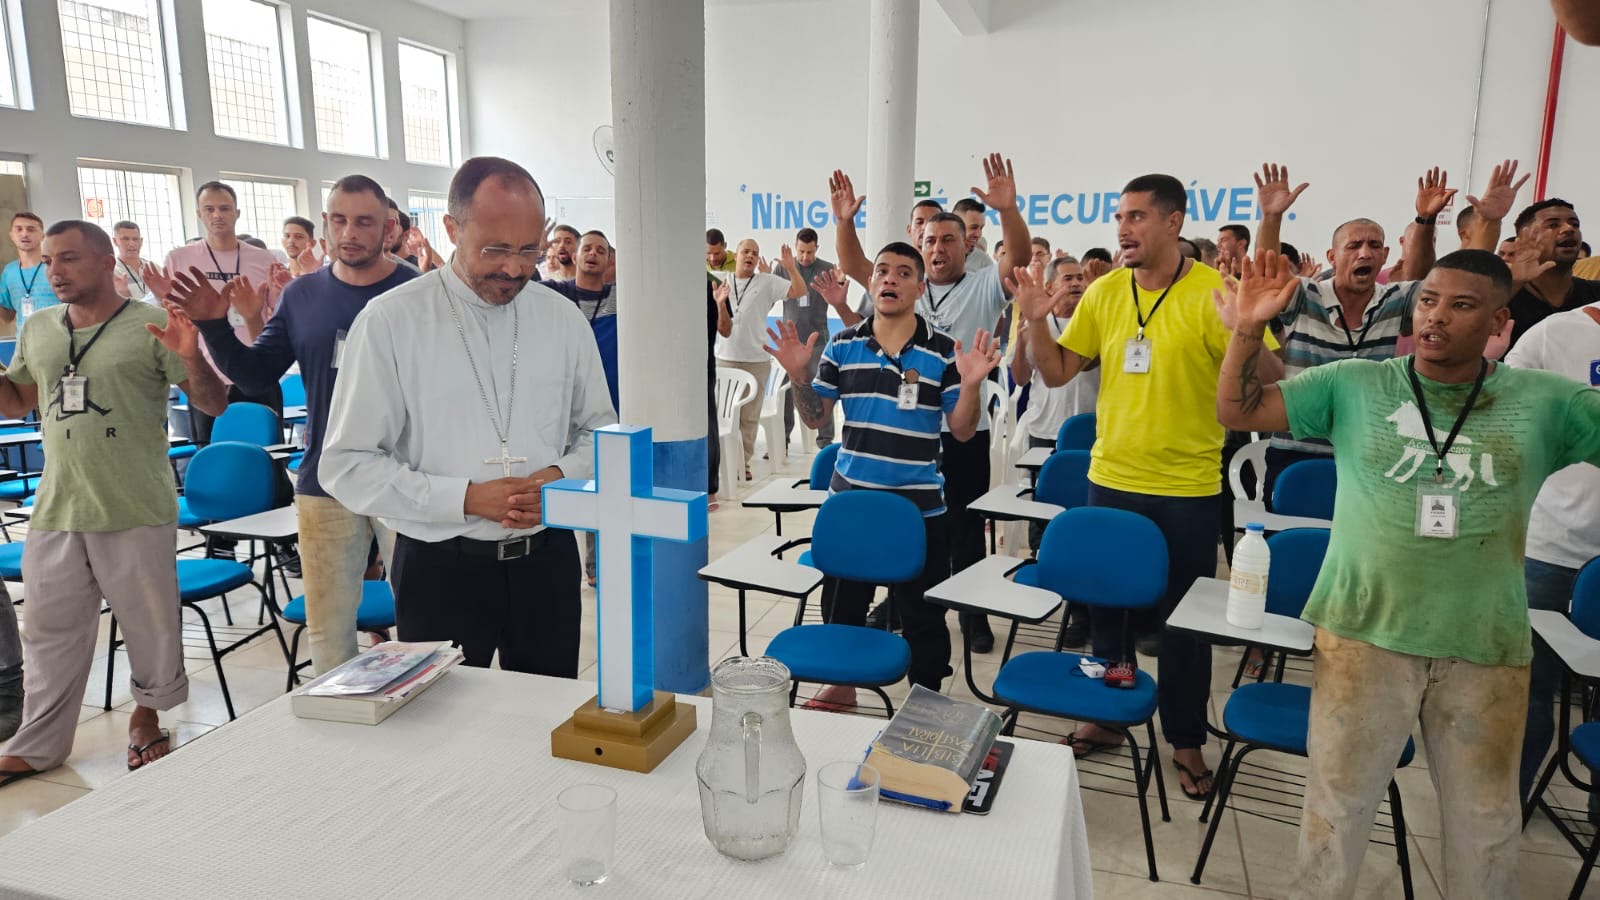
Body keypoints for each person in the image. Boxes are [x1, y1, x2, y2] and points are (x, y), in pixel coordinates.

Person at [1216, 247, 1600, 900]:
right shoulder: (1356, 385)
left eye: (1460, 305)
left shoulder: (1547, 402)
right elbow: (1240, 410)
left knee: (1485, 826)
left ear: (1499, 320)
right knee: (1334, 815)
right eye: (1427, 300)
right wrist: (1248, 331)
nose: (1436, 317)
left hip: (1484, 644)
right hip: (1364, 634)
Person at [1016, 173, 1285, 799]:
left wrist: (1248, 324)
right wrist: (1035, 323)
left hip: (1187, 486)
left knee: (1182, 625)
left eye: (1137, 217)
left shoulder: (1214, 290)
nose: (1123, 229)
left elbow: (1271, 373)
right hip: (1110, 479)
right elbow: (1056, 373)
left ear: (1172, 221)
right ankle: (1108, 716)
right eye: (1119, 218)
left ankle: (1185, 737)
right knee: (1108, 612)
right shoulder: (1107, 292)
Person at [320, 157, 615, 675]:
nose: (514, 269)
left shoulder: (562, 319)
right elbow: (348, 464)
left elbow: (600, 432)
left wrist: (556, 478)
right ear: (452, 229)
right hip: (439, 566)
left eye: (529, 251)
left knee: (543, 720)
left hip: (545, 560)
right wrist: (466, 499)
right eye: (495, 249)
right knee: (442, 731)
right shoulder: (392, 321)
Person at [0, 220, 227, 786]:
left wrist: (193, 357)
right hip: (57, 505)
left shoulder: (151, 323)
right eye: (50, 261)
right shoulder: (41, 330)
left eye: (70, 259)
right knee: (48, 632)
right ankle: (39, 744)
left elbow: (214, 403)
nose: (55, 271)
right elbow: (17, 403)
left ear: (107, 263)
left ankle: (146, 720)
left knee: (148, 628)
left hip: (134, 504)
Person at [162, 176, 416, 676]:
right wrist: (215, 325)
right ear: (325, 225)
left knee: (419, 614)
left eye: (365, 221)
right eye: (339, 220)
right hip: (326, 477)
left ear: (388, 228)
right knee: (327, 621)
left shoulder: (417, 290)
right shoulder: (303, 295)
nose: (351, 232)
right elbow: (256, 375)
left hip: (405, 475)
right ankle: (337, 728)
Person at [767, 240, 1000, 708]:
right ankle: (842, 688)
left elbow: (960, 430)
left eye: (902, 273)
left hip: (919, 509)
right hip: (851, 504)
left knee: (923, 614)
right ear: (871, 284)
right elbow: (816, 418)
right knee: (842, 606)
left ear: (918, 286)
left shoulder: (941, 353)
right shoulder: (844, 345)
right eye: (882, 272)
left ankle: (926, 697)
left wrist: (971, 384)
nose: (890, 279)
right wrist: (797, 376)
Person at [830, 155, 1031, 656]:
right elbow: (857, 265)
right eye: (929, 239)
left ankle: (971, 613)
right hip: (906, 424)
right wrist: (844, 222)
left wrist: (1008, 210)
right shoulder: (904, 286)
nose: (937, 246)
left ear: (969, 245)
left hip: (961, 423)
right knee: (893, 529)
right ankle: (896, 605)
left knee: (959, 528)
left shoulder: (984, 284)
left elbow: (1018, 259)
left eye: (949, 239)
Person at [1250, 160, 1522, 502]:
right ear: (1333, 256)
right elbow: (1267, 270)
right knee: (1290, 549)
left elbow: (1468, 279)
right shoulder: (1306, 295)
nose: (1365, 252)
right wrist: (1272, 218)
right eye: (1354, 246)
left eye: (1374, 245)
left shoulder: (1398, 298)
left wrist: (1488, 222)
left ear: (1385, 256)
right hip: (1296, 448)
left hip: (1369, 450)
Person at [1505, 297, 1600, 810]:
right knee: (1528, 692)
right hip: (1552, 545)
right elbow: (1501, 410)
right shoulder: (1555, 333)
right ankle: (1505, 808)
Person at [156, 182, 285, 445]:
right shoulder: (180, 258)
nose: (217, 215)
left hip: (254, 369)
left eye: (224, 208)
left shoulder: (263, 258)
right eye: (210, 209)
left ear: (237, 213)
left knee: (269, 457)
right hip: (206, 375)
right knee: (211, 455)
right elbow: (171, 314)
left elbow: (277, 317)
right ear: (199, 214)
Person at [544, 229, 621, 587]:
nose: (592, 254)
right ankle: (554, 564)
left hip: (606, 411)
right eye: (586, 248)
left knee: (603, 492)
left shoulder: (621, 299)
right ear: (574, 256)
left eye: (601, 250)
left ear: (610, 261)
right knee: (558, 488)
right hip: (557, 412)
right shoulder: (555, 295)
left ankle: (596, 568)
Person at [713, 240, 807, 476]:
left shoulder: (766, 282)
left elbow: (799, 291)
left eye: (755, 253)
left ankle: (741, 464)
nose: (750, 256)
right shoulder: (720, 280)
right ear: (737, 253)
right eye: (746, 251)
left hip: (756, 360)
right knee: (721, 416)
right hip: (724, 358)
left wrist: (791, 267)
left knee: (748, 418)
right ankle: (721, 463)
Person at [770, 228, 837, 451]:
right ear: (795, 247)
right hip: (792, 344)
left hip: (817, 342)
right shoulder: (783, 268)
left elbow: (837, 298)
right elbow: (770, 299)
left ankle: (825, 442)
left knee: (822, 391)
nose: (805, 257)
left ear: (817, 248)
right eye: (801, 251)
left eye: (809, 252)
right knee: (786, 393)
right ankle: (783, 440)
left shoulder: (827, 269)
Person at [1505, 198, 1600, 348]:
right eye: (1553, 225)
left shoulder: (1596, 294)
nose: (1569, 229)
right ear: (1523, 240)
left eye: (1575, 224)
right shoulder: (1503, 296)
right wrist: (1515, 283)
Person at [0, 213, 59, 331]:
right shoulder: (9, 271)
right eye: (19, 229)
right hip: (25, 345)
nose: (25, 234)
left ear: (43, 236)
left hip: (59, 343)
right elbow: (7, 317)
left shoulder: (56, 267)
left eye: (31, 229)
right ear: (11, 235)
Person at [111, 221, 152, 300]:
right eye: (125, 239)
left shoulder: (154, 268)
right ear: (115, 241)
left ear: (141, 241)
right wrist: (123, 295)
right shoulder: (113, 272)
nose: (131, 244)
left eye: (135, 239)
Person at [952, 197, 994, 271]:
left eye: (981, 228)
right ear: (954, 225)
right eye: (973, 227)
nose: (979, 235)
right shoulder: (934, 255)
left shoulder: (985, 263)